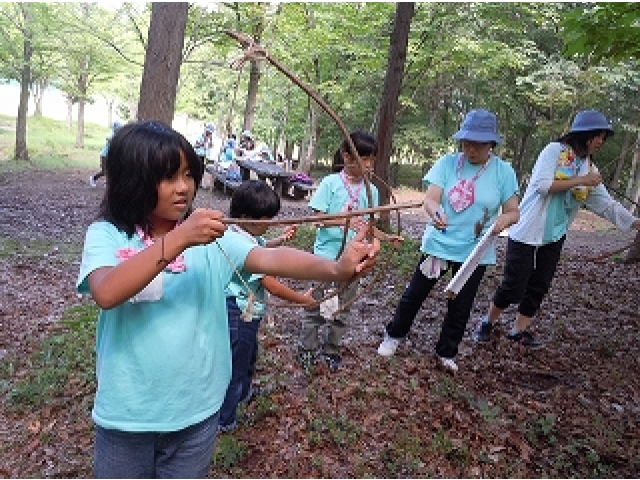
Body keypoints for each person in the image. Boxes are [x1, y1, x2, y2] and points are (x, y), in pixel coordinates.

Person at [75, 120, 380, 478]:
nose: (183, 188)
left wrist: (336, 268)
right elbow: (107, 291)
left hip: (197, 411)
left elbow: (269, 257)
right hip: (128, 414)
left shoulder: (211, 239)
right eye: (169, 177)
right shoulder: (109, 236)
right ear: (134, 179)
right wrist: (180, 239)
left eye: (189, 175)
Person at [473, 109, 640, 348]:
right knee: (513, 285)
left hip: (554, 234)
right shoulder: (554, 152)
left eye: (604, 137)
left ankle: (518, 331)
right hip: (527, 230)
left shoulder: (588, 168)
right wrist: (582, 181)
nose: (602, 142)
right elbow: (542, 185)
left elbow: (606, 205)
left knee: (540, 284)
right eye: (599, 136)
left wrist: (635, 224)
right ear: (586, 135)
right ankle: (487, 322)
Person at [376, 109, 520, 374]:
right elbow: (430, 199)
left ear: (491, 144)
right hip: (439, 244)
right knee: (414, 294)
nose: (471, 149)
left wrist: (504, 221)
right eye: (466, 142)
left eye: (477, 144)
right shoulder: (447, 163)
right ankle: (394, 335)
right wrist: (435, 211)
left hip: (475, 251)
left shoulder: (503, 172)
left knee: (461, 304)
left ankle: (447, 351)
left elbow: (514, 211)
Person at [298, 130, 403, 373]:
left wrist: (387, 238)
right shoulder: (331, 183)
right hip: (325, 259)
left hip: (354, 260)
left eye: (371, 159)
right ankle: (307, 349)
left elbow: (369, 226)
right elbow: (317, 218)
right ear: (346, 156)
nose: (367, 165)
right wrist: (344, 221)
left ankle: (332, 350)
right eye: (362, 159)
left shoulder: (372, 191)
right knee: (317, 304)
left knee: (343, 308)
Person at [218, 180, 314, 433]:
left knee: (248, 357)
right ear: (246, 217)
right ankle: (225, 420)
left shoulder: (239, 233)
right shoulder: (242, 245)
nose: (271, 223)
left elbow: (260, 246)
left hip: (245, 312)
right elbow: (272, 284)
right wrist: (303, 299)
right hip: (238, 313)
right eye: (266, 219)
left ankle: (245, 393)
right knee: (235, 367)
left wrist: (279, 239)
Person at [89, 121, 122, 187]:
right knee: (104, 171)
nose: (119, 130)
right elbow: (108, 138)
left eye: (120, 128)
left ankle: (107, 183)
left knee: (111, 170)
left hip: (111, 156)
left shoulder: (117, 135)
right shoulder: (112, 135)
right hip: (104, 155)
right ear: (115, 129)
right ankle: (93, 178)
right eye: (118, 128)